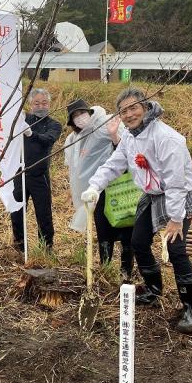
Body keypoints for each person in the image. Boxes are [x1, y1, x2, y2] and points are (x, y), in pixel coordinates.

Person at [82, 88, 192, 334]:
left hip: (178, 193)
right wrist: (94, 186)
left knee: (175, 248)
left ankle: (190, 308)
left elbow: (177, 182)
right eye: (123, 111)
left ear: (146, 107)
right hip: (152, 193)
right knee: (138, 241)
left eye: (133, 108)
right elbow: (114, 164)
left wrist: (176, 219)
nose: (128, 114)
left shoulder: (166, 138)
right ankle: (154, 290)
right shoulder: (129, 137)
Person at [64, 99, 134, 281]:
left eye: (81, 113)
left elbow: (126, 151)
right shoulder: (74, 140)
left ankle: (126, 271)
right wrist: (73, 191)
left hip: (119, 186)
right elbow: (74, 170)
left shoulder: (106, 124)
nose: (80, 118)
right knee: (103, 229)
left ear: (89, 111)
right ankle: (106, 269)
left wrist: (113, 135)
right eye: (75, 117)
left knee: (126, 227)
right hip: (96, 191)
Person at [10, 88, 62, 253]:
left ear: (49, 104)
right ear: (30, 105)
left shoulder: (54, 124)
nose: (41, 106)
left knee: (43, 213)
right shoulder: (23, 119)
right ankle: (19, 246)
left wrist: (31, 134)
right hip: (20, 173)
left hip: (40, 176)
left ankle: (46, 248)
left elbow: (49, 139)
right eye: (36, 103)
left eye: (44, 103)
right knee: (16, 210)